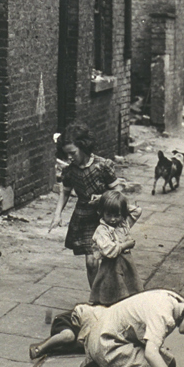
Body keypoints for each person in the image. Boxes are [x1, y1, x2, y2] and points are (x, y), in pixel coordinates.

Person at [49, 122, 119, 286]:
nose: (70, 157)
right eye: (67, 154)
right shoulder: (70, 171)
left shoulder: (102, 166)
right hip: (85, 217)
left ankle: (110, 291)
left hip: (106, 218)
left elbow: (117, 192)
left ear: (84, 147)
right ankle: (95, 297)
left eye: (73, 153)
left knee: (110, 259)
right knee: (91, 262)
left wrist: (103, 197)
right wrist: (57, 214)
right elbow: (65, 191)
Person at [89, 190, 143, 306]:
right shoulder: (102, 230)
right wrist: (126, 245)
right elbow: (110, 251)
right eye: (108, 215)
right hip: (111, 269)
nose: (113, 219)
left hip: (127, 266)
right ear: (102, 212)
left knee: (129, 293)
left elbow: (137, 211)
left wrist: (119, 204)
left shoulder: (123, 224)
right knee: (111, 297)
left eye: (117, 215)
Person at [28, 303, 106, 361]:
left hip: (77, 330)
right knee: (69, 336)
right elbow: (81, 340)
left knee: (73, 347)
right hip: (66, 322)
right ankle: (39, 349)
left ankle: (54, 347)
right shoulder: (94, 318)